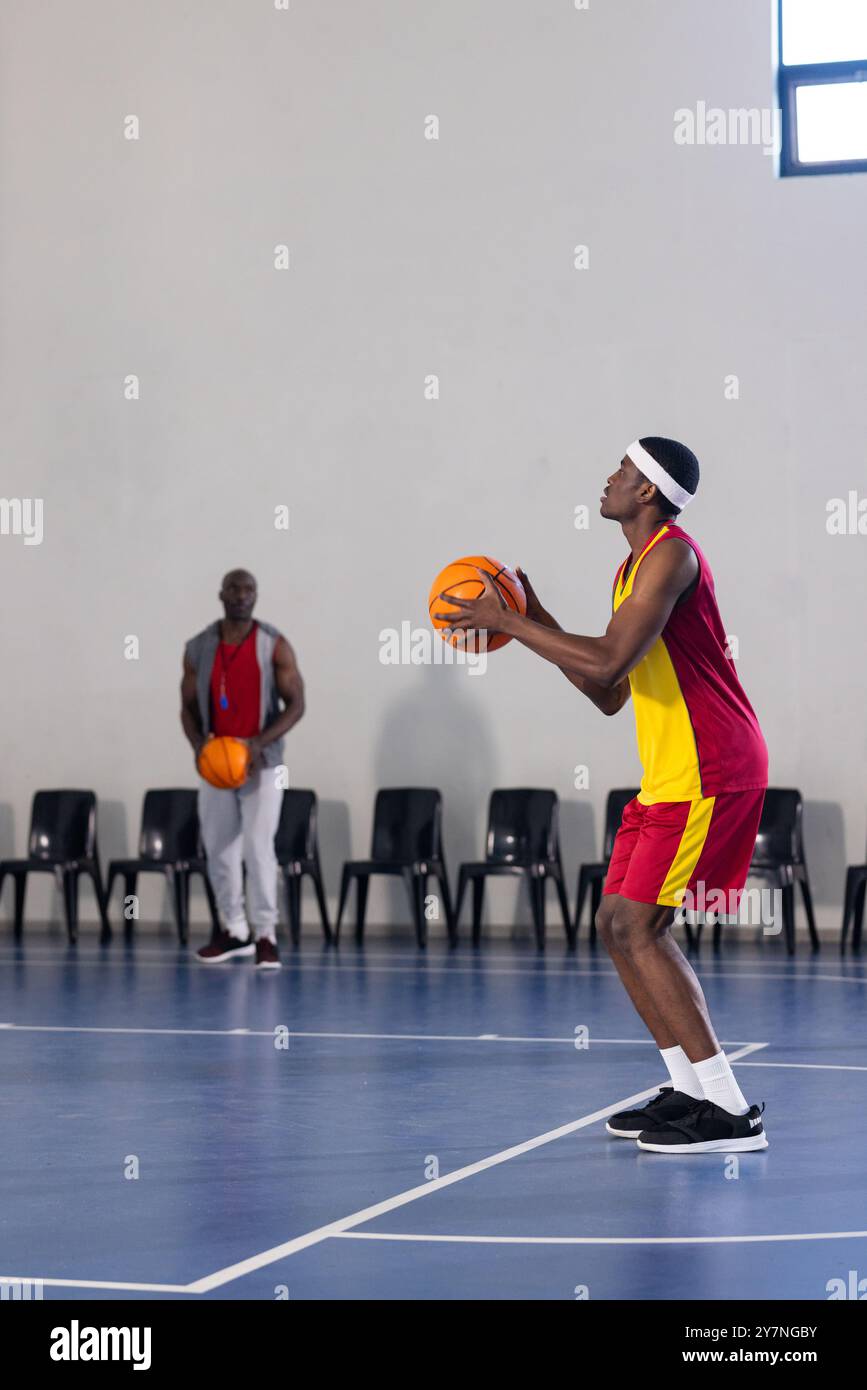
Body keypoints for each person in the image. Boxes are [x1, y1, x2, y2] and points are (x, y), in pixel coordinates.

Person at [436, 437, 769, 1154]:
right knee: (616, 924)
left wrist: (507, 622)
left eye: (621, 471)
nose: (608, 479)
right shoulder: (631, 569)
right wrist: (538, 618)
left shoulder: (672, 556)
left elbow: (611, 658)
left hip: (712, 766)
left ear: (646, 491)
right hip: (671, 773)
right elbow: (607, 692)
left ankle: (730, 1111)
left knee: (643, 928)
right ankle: (687, 1088)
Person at [181, 569, 305, 969]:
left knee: (258, 847)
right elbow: (186, 707)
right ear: (221, 594)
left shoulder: (274, 644)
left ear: (256, 596)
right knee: (219, 849)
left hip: (262, 764)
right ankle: (234, 930)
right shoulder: (199, 646)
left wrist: (258, 743)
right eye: (234, 588)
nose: (241, 595)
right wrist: (200, 746)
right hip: (216, 765)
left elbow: (297, 705)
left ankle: (266, 933)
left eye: (248, 588)